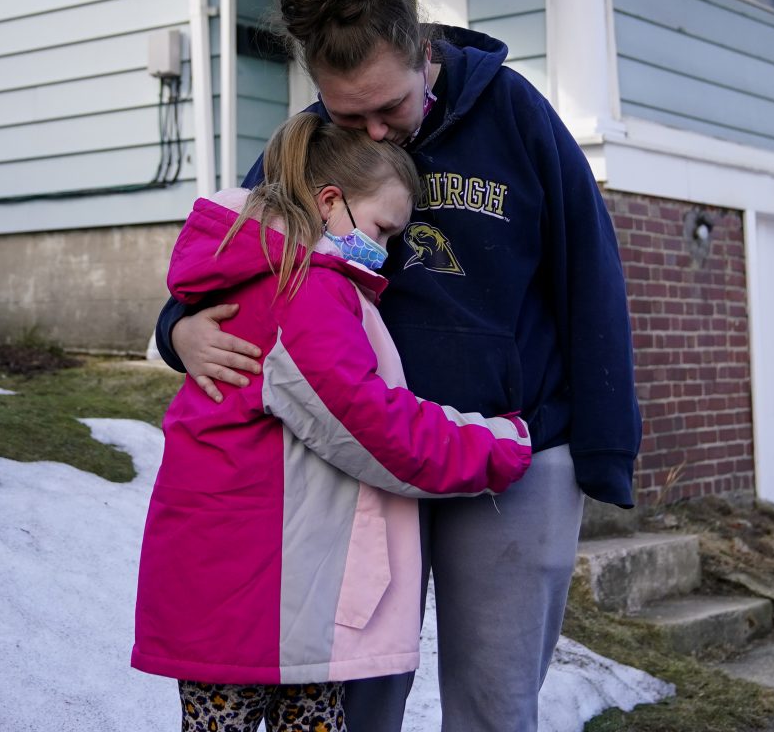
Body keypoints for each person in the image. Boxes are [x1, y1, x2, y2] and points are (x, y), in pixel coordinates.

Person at [156, 0, 641, 732]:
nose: (379, 132)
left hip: (515, 450)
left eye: (391, 108)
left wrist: (605, 447)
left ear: (425, 57)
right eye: (352, 116)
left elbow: (590, 272)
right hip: (362, 462)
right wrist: (177, 330)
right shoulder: (315, 144)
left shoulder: (515, 113)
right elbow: (234, 252)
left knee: (493, 700)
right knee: (353, 696)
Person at [133, 111, 534, 732]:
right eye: (382, 227)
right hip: (260, 594)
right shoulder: (304, 290)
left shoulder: (263, 269)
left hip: (238, 582)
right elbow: (368, 425)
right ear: (329, 202)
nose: (387, 248)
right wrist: (495, 443)